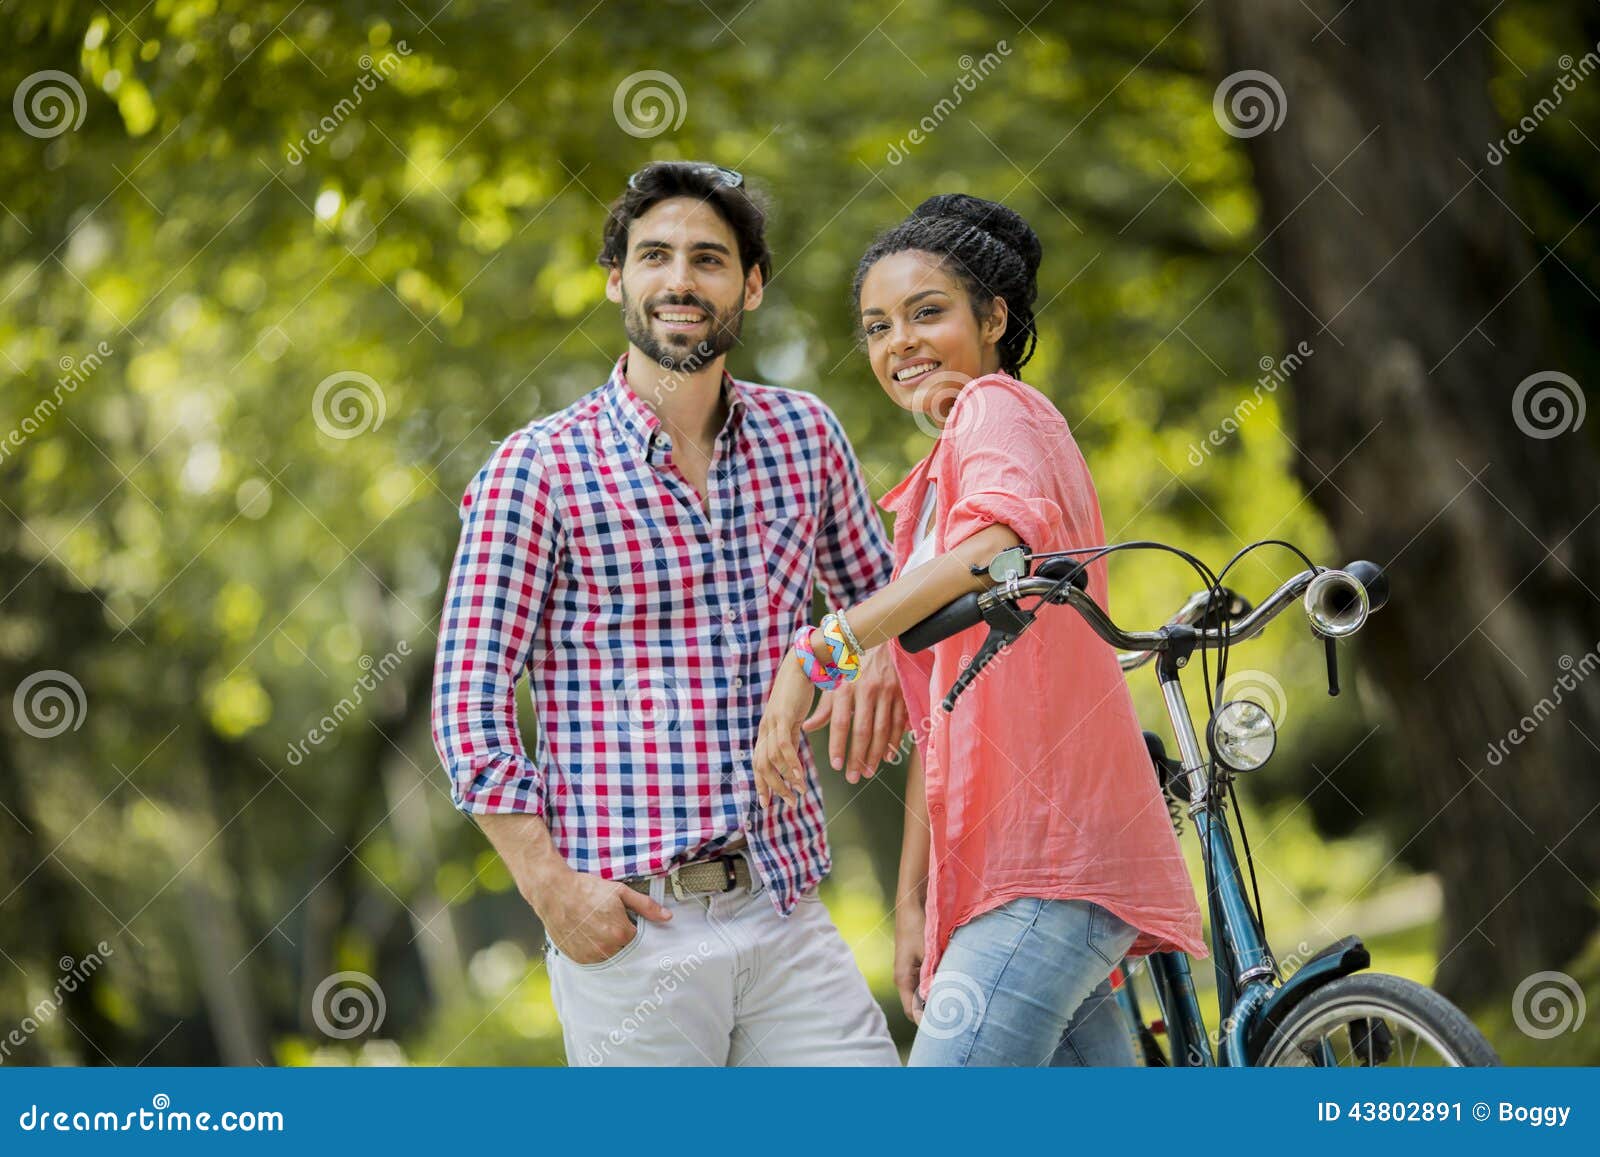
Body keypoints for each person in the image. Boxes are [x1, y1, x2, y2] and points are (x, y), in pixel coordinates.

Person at [431, 161, 905, 1066]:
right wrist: (551, 889)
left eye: (709, 259)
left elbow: (880, 609)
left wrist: (858, 656)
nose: (680, 280)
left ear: (751, 285)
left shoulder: (806, 437)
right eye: (654, 256)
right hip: (633, 927)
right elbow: (467, 704)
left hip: (786, 911)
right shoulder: (537, 471)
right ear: (618, 279)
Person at [754, 192, 1207, 1066]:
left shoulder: (997, 412)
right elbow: (947, 716)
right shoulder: (928, 492)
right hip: (1001, 875)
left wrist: (826, 644)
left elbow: (1000, 547)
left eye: (929, 312)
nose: (901, 343)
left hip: (1049, 862)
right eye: (878, 326)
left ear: (994, 316)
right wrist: (916, 904)